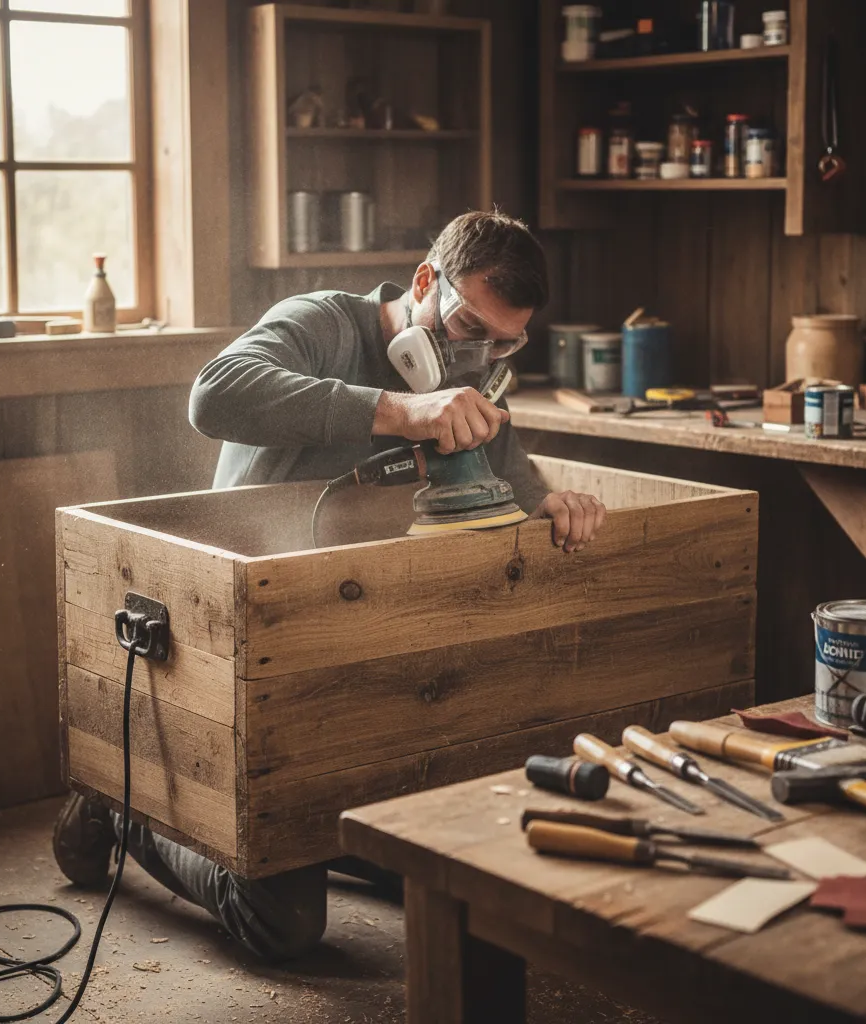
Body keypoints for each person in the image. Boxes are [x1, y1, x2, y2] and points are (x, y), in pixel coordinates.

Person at [52, 210, 607, 961]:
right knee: (281, 924)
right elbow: (213, 394)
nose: (479, 354)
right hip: (255, 630)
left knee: (439, 868)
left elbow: (507, 477)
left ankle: (322, 836)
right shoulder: (322, 323)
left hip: (370, 641)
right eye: (468, 326)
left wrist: (551, 506)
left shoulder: (474, 373)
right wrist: (399, 410)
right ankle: (118, 806)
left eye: (504, 342)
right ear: (424, 282)